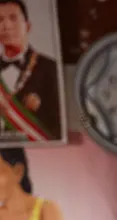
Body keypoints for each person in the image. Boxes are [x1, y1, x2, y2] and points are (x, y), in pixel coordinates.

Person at [0, 0, 61, 142]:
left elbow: (57, 129)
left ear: (27, 26)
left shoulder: (51, 69)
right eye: (0, 20)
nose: (6, 26)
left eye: (13, 18)